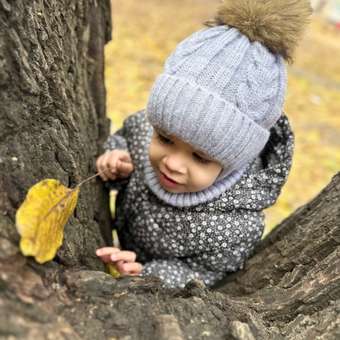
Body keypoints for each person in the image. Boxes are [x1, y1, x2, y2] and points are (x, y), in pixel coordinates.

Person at [95, 0, 312, 288]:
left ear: (232, 160)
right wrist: (115, 160)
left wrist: (147, 276)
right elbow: (126, 135)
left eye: (200, 158)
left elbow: (203, 273)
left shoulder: (234, 226)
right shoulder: (145, 133)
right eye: (165, 139)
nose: (172, 161)